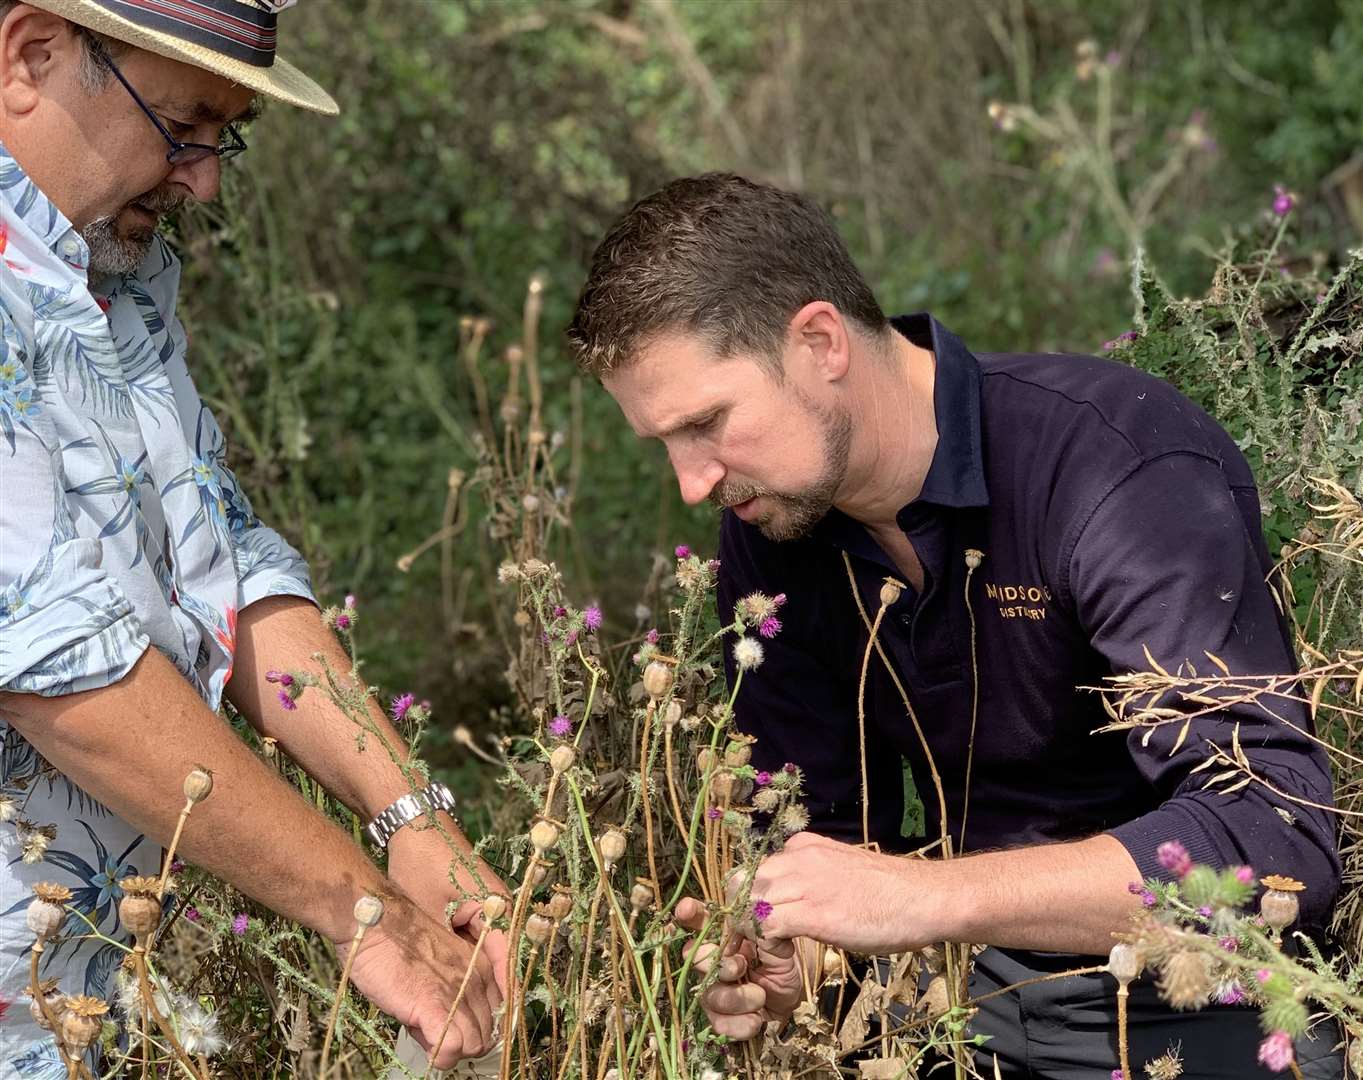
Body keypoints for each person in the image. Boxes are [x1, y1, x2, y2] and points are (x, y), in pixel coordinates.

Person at [568, 172, 1343, 1077]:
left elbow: (1275, 841)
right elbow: (816, 827)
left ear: (819, 341)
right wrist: (797, 956)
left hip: (1201, 997)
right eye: (663, 443)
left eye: (705, 424)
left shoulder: (1110, 470)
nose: (691, 481)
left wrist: (922, 898)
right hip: (954, 1005)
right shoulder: (771, 531)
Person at [0, 1, 505, 1072]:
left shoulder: (110, 286)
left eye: (225, 136)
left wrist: (411, 817)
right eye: (182, 125)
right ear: (30, 57)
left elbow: (226, 565)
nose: (205, 179)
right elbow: (57, 667)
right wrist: (363, 912)